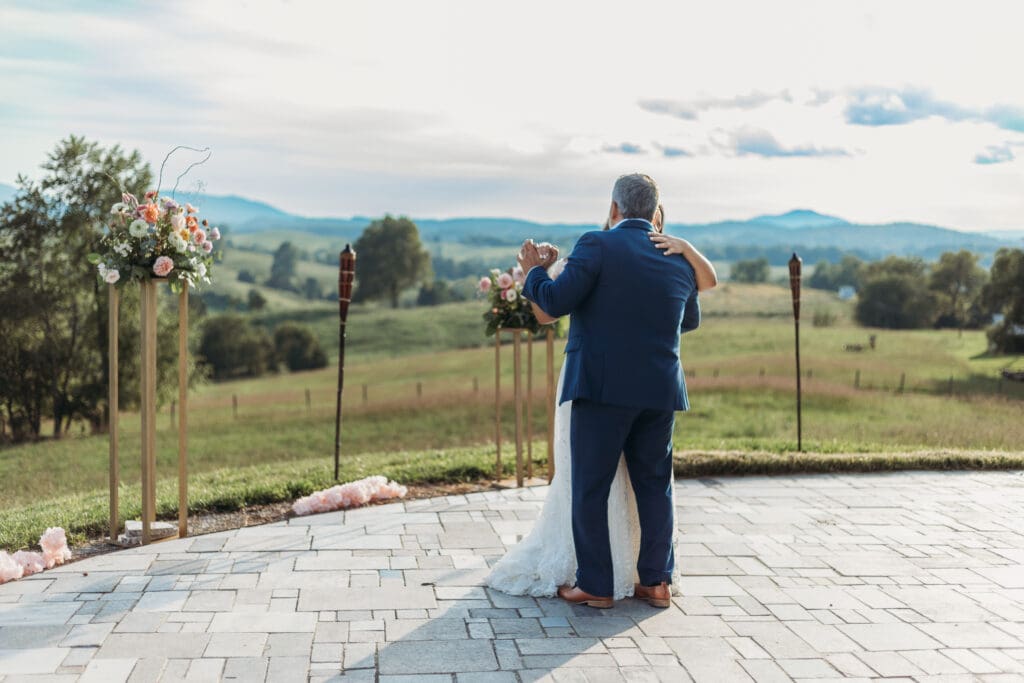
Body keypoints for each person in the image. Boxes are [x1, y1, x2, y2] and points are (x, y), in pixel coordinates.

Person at [486, 176, 716, 607]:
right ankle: (656, 581)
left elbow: (553, 303)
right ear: (655, 213)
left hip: (601, 388)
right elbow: (688, 322)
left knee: (591, 486)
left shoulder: (596, 244)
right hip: (659, 392)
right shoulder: (678, 260)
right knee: (653, 486)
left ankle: (595, 583)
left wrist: (535, 270)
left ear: (614, 209)